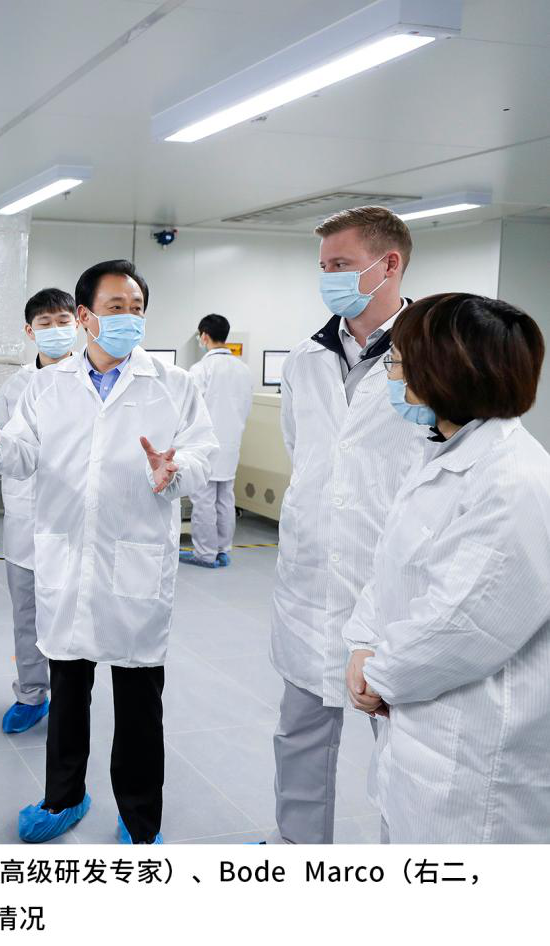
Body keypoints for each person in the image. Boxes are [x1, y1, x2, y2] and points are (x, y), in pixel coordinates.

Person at [0, 260, 217, 844]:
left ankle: (140, 818)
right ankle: (63, 798)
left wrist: (176, 468)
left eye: (136, 308)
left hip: (136, 558)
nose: (129, 318)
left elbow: (203, 452)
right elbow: (24, 454)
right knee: (69, 693)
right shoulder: (46, 386)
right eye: (115, 307)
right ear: (85, 316)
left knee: (139, 702)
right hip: (67, 556)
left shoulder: (174, 383)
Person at [342, 293, 550, 843]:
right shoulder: (441, 451)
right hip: (422, 730)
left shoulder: (512, 481)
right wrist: (362, 644)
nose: (392, 372)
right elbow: (392, 568)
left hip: (474, 755)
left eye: (399, 360)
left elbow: (464, 623)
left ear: (445, 371)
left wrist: (380, 674)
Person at [271, 206, 423, 844]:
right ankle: (299, 853)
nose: (329, 278)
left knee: (405, 753)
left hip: (394, 585)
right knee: (300, 733)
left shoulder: (434, 355)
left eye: (341, 264)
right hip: (309, 579)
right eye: (324, 266)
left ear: (389, 264)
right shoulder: (305, 358)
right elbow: (304, 452)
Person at [0, 288, 79, 734]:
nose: (55, 329)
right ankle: (31, 694)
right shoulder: (15, 386)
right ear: (30, 331)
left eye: (63, 321)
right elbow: (3, 449)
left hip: (76, 522)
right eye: (45, 323)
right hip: (26, 520)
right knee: (26, 615)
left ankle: (69, 700)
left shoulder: (94, 381)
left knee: (70, 619)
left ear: (78, 323)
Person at [181, 314, 252, 569]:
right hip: (231, 445)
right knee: (225, 499)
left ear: (204, 336)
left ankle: (205, 553)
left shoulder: (201, 370)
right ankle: (223, 549)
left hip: (206, 446)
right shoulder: (243, 370)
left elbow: (190, 409)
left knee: (203, 501)